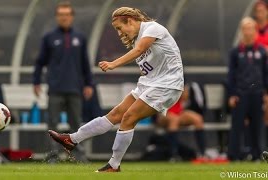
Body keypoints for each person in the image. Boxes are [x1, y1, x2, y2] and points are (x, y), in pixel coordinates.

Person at [49, 7, 184, 172]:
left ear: (129, 20)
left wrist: (113, 64)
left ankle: (114, 164)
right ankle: (72, 139)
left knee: (128, 118)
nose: (119, 33)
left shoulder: (152, 28)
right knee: (114, 115)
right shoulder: (137, 39)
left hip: (167, 84)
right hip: (150, 83)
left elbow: (140, 50)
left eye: (119, 28)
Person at [33, 1, 93, 133]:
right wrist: (36, 82)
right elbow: (40, 62)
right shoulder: (49, 37)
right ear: (56, 17)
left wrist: (89, 84)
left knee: (76, 125)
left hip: (75, 89)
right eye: (60, 15)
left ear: (72, 16)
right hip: (55, 88)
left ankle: (77, 154)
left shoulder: (80, 38)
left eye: (66, 14)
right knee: (52, 125)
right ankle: (53, 153)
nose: (64, 17)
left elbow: (85, 63)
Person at [227, 17, 267, 161]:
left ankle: (258, 155)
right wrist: (231, 94)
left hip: (257, 94)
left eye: (251, 28)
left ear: (255, 31)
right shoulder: (236, 52)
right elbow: (231, 74)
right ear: (242, 31)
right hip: (240, 94)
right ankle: (233, 155)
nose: (248, 32)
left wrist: (266, 93)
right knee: (237, 126)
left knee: (257, 126)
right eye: (245, 28)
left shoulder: (262, 51)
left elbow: (265, 73)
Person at [155, 82, 206, 161]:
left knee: (198, 119)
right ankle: (173, 155)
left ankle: (202, 154)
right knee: (174, 119)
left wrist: (183, 91)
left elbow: (185, 98)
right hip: (163, 113)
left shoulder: (179, 80)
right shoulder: (161, 80)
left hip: (178, 112)